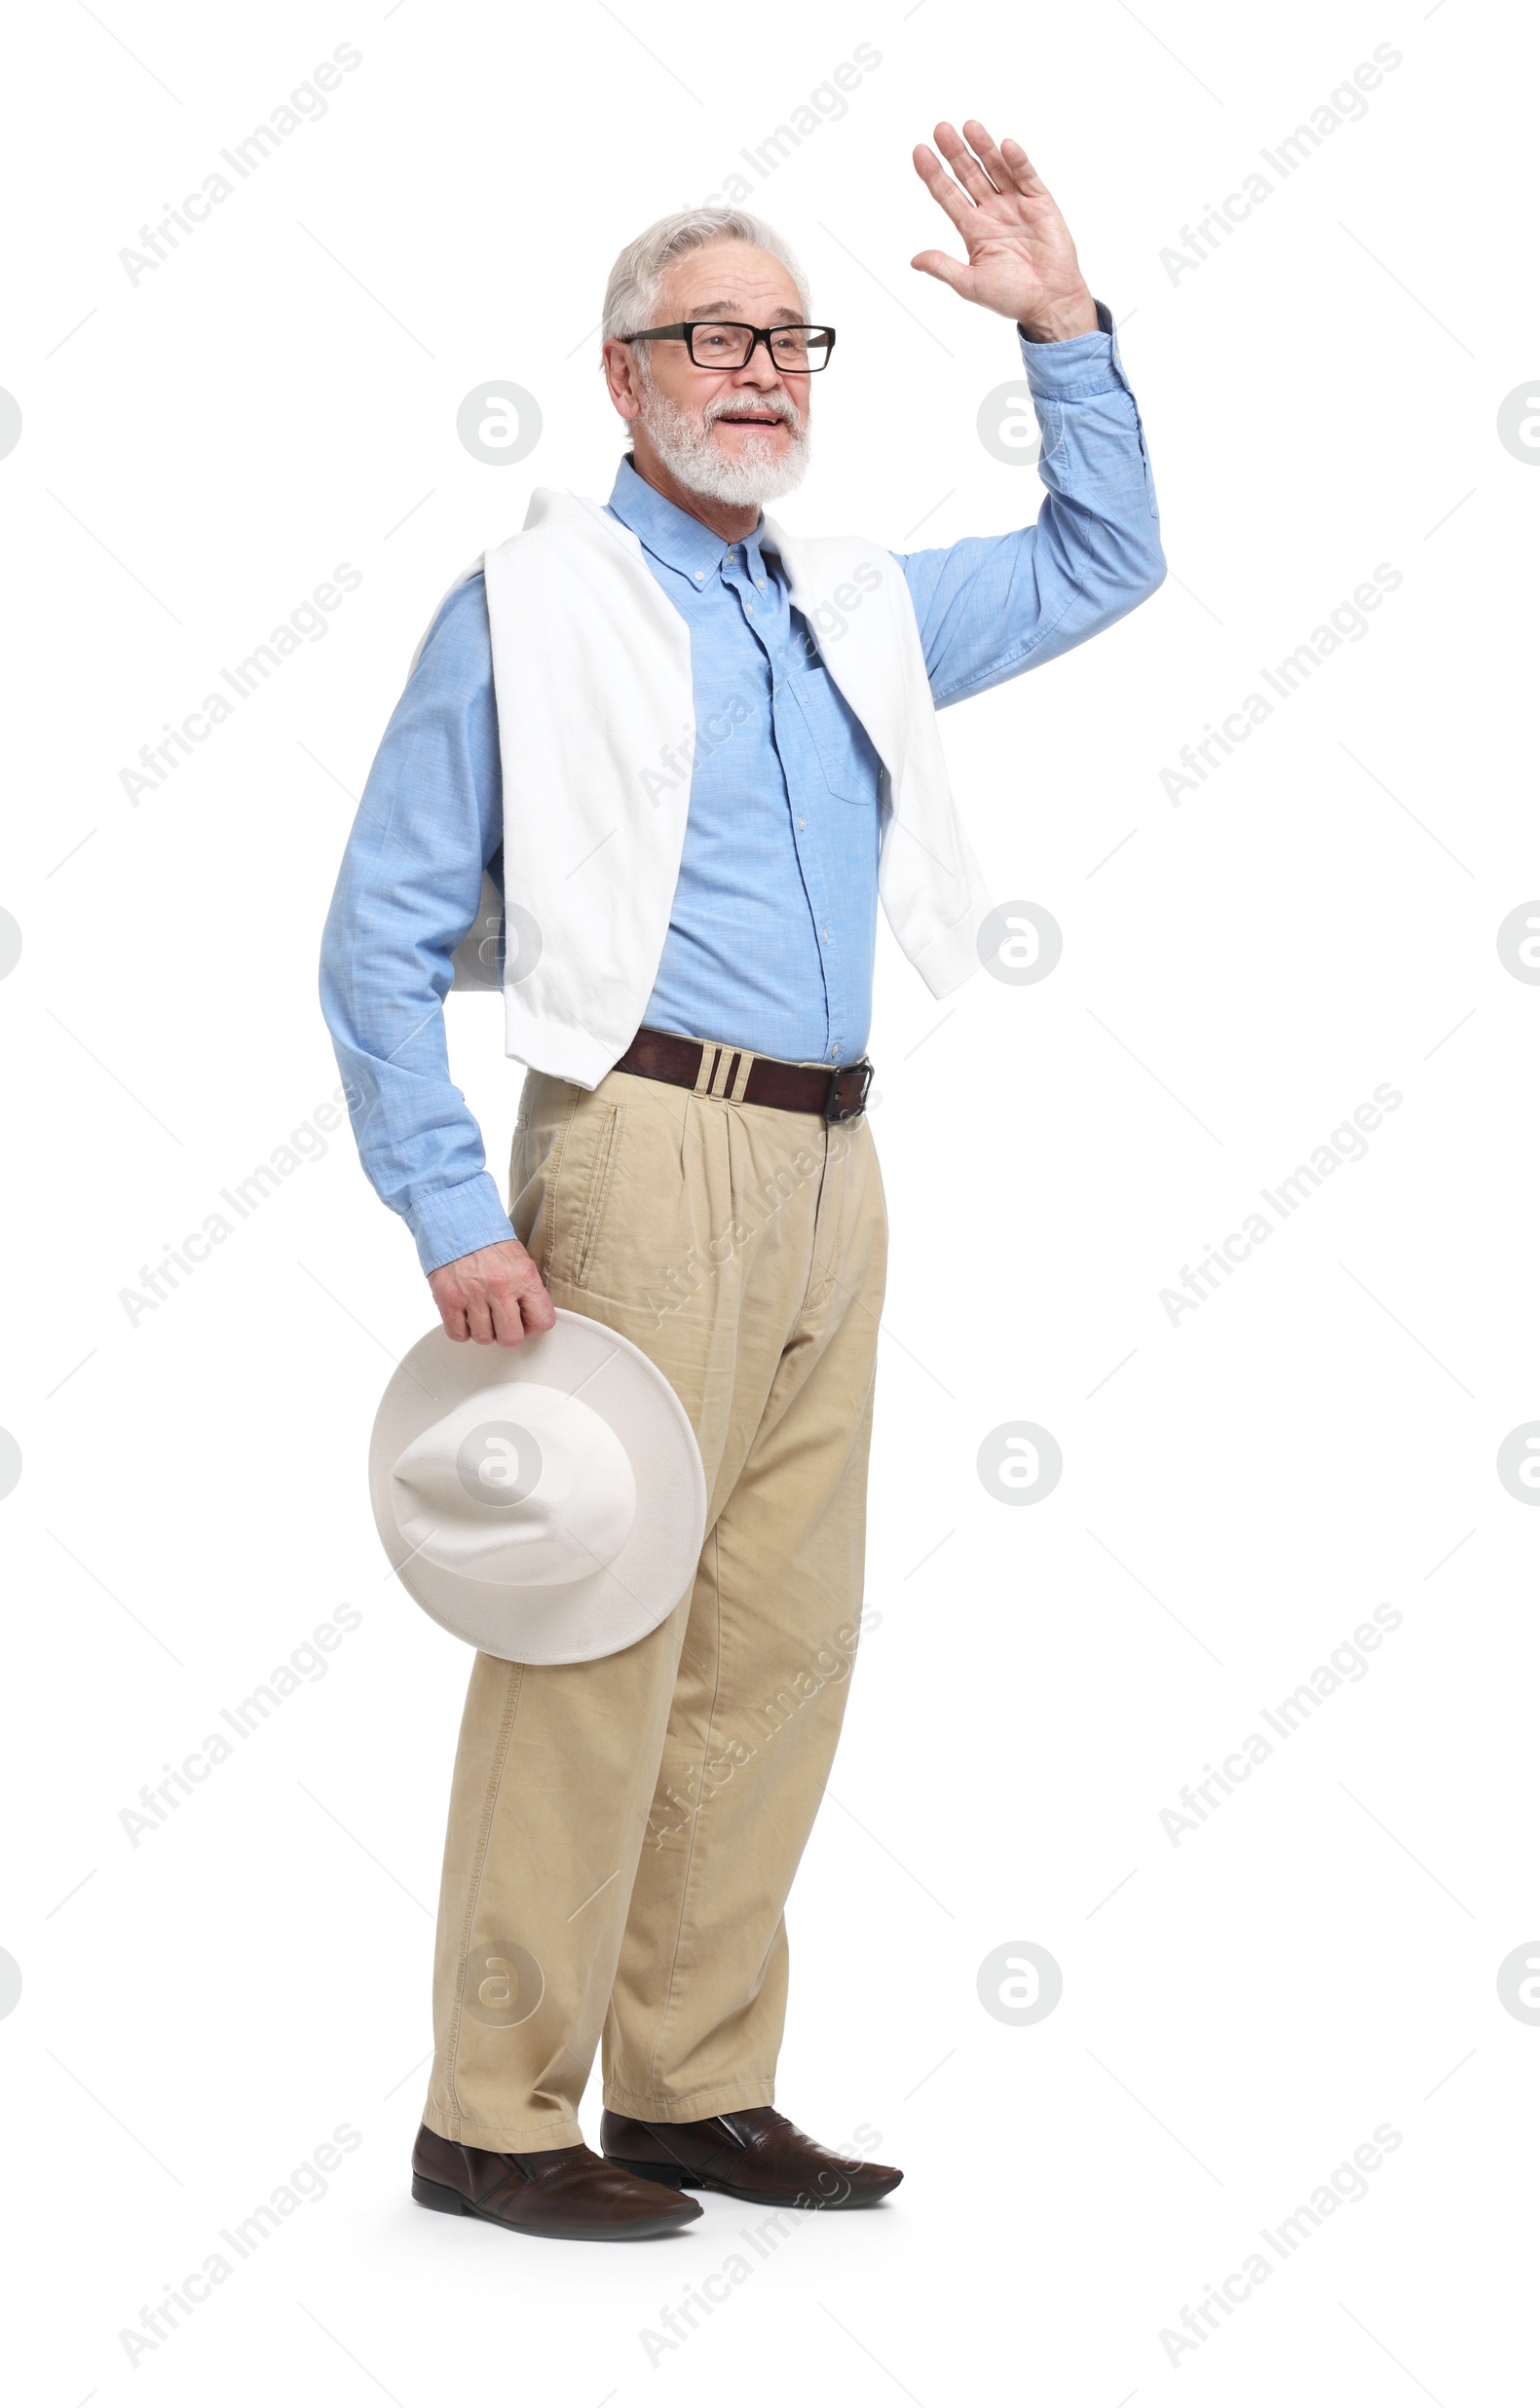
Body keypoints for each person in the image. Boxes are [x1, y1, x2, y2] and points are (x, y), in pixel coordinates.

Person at [320, 119, 1165, 2240]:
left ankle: (688, 2086)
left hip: (828, 1159)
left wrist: (1055, 320)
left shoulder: (853, 598)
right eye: (713, 335)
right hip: (632, 1153)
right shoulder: (525, 605)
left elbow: (1100, 559)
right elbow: (376, 930)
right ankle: (490, 2115)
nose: (763, 368)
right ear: (620, 376)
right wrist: (453, 1208)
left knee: (779, 1641)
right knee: (589, 1631)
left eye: (790, 336)